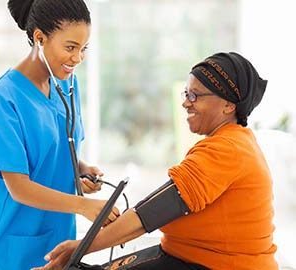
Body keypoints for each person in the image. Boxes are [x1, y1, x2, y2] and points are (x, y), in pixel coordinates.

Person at [33, 52, 278, 270]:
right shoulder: (233, 142)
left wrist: (79, 248)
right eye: (186, 93)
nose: (185, 102)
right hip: (188, 257)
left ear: (228, 105)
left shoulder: (227, 150)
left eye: (196, 95)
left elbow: (149, 214)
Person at [0, 0, 120, 269]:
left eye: (84, 49)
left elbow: (59, 148)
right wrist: (85, 206)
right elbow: (19, 187)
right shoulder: (3, 98)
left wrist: (80, 170)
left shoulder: (67, 82)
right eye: (70, 47)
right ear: (39, 38)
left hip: (57, 239)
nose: (78, 58)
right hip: (11, 248)